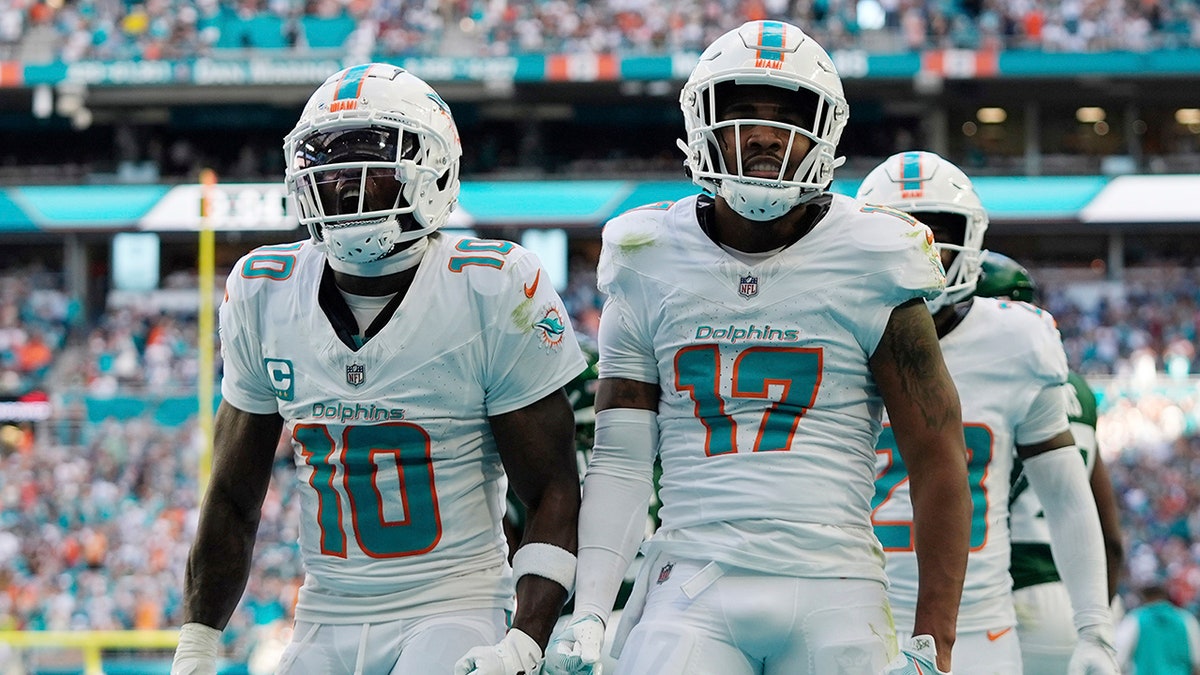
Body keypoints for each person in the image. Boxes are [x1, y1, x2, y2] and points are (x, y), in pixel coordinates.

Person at [543, 20, 972, 675]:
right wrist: (592, 611)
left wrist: (933, 643)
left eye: (789, 116)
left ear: (826, 131)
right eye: (745, 111)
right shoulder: (645, 254)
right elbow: (622, 461)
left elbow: (937, 457)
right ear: (704, 124)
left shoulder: (874, 255)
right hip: (690, 582)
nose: (769, 134)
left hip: (836, 582)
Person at [169, 63, 587, 675]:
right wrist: (197, 644)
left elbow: (552, 488)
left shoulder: (490, 286)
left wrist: (525, 638)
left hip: (453, 604)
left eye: (369, 159)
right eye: (329, 162)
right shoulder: (263, 291)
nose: (344, 183)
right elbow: (234, 496)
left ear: (432, 173)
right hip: (324, 611)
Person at [856, 151, 1119, 674]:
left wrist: (1095, 630)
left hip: (980, 626)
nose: (925, 244)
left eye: (940, 228)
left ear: (972, 239)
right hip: (850, 615)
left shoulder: (1017, 340)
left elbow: (1068, 496)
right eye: (906, 228)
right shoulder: (834, 328)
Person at [973, 251, 1126, 675]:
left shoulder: (981, 375)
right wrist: (1095, 618)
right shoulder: (1076, 387)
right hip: (1075, 594)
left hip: (999, 590)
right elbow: (1108, 534)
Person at [1115, 584, 1200, 674]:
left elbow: (1118, 659)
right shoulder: (1187, 619)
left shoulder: (1134, 619)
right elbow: (1197, 661)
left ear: (1144, 599)